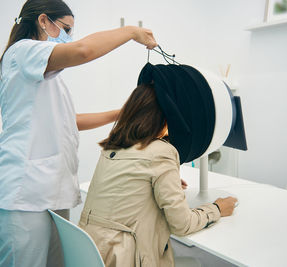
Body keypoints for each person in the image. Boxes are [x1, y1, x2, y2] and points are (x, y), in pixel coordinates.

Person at [0, 0, 157, 266]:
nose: (68, 37)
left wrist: (119, 114)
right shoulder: (23, 52)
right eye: (65, 28)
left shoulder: (41, 73)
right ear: (43, 21)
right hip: (23, 192)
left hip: (48, 189)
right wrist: (132, 32)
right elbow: (83, 50)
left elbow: (68, 121)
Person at [78, 83, 238, 267]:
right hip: (127, 258)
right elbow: (182, 224)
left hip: (95, 255)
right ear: (163, 117)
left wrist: (160, 181)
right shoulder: (161, 152)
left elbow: (130, 185)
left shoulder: (113, 147)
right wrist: (216, 208)